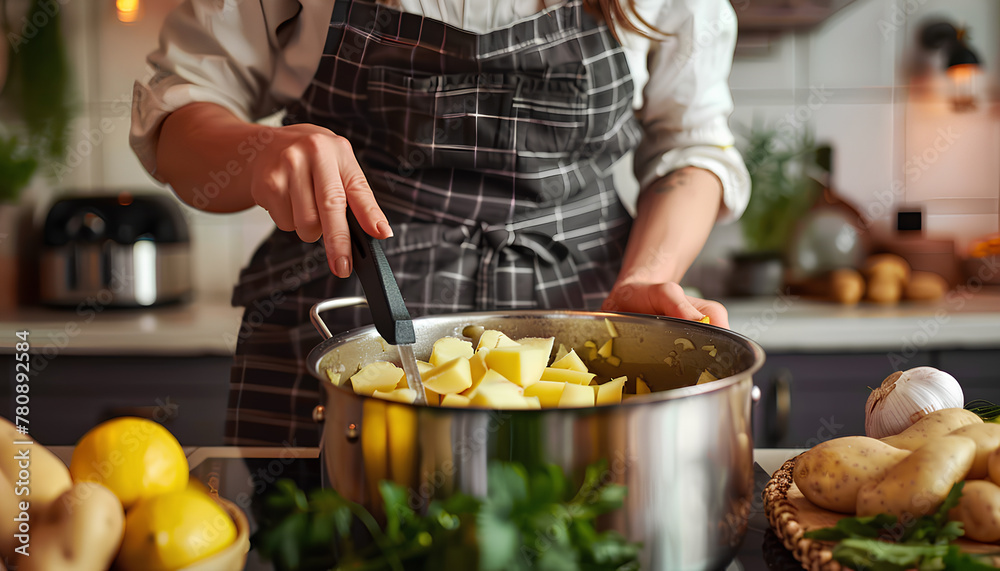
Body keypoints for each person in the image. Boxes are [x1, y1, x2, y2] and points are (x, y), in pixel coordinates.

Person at [131, 0, 750, 447]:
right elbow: (181, 116)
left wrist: (650, 275)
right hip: (344, 325)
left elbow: (692, 150)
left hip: (582, 330)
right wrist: (258, 152)